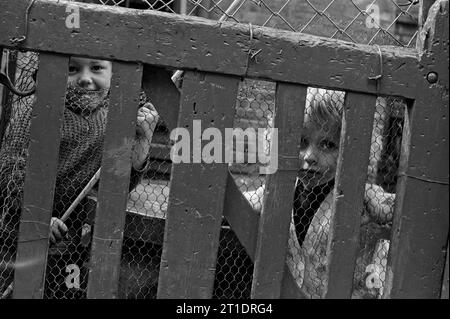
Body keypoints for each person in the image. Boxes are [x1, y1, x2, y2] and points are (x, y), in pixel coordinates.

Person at [0, 56, 159, 297]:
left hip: (68, 244)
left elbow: (113, 184)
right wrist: (37, 216)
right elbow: (11, 170)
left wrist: (141, 144)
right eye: (72, 69)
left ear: (113, 72)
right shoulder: (38, 107)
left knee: (63, 290)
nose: (85, 79)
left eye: (96, 68)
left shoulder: (112, 116)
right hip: (18, 238)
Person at [244, 88, 394, 299]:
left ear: (349, 149)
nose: (310, 157)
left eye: (327, 145)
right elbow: (233, 203)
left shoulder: (362, 195)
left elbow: (403, 213)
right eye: (301, 142)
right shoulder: (277, 190)